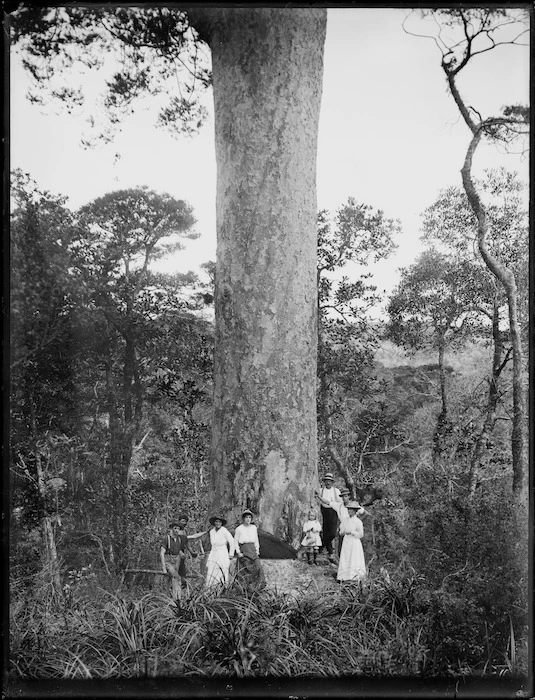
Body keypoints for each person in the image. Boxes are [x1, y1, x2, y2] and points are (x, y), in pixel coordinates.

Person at [160, 516, 207, 600]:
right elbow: (162, 553)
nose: (177, 530)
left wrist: (206, 532)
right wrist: (163, 567)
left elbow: (193, 537)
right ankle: (176, 597)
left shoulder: (181, 538)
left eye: (178, 529)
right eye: (175, 528)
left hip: (176, 560)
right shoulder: (166, 539)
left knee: (172, 578)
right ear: (171, 529)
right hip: (168, 560)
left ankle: (174, 597)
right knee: (177, 577)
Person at [234, 509, 266, 589]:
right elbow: (235, 541)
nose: (248, 519)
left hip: (252, 550)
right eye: (246, 517)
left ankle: (256, 588)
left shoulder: (254, 528)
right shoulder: (239, 529)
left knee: (258, 568)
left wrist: (257, 550)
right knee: (243, 570)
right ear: (243, 519)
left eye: (249, 517)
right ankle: (244, 589)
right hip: (244, 550)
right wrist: (238, 552)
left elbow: (256, 540)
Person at [316, 486, 351, 559]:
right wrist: (319, 497)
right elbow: (328, 502)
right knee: (341, 549)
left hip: (351, 530)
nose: (344, 498)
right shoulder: (339, 506)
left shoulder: (353, 506)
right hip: (342, 529)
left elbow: (364, 513)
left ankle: (321, 545)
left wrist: (356, 522)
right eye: (343, 496)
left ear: (349, 496)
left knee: (350, 550)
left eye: (346, 496)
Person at [337, 501, 366, 583]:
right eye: (348, 509)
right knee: (346, 558)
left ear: (355, 511)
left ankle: (355, 576)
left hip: (354, 542)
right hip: (346, 541)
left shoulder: (358, 522)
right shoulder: (345, 520)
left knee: (354, 558)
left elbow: (361, 534)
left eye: (351, 510)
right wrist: (342, 532)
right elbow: (341, 530)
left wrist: (352, 532)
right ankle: (344, 576)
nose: (349, 511)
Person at [205, 515, 236, 589]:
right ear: (214, 523)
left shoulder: (224, 531)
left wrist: (231, 554)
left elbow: (232, 542)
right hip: (214, 552)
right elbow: (212, 543)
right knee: (212, 569)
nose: (217, 523)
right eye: (216, 521)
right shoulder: (212, 531)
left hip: (222, 552)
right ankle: (211, 588)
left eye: (219, 522)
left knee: (222, 569)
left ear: (221, 523)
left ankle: (223, 588)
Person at [318, 473, 341, 561]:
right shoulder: (321, 490)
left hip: (333, 511)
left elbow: (339, 502)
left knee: (332, 533)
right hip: (324, 511)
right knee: (325, 531)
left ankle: (321, 545)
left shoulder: (336, 491)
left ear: (332, 482)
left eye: (330, 481)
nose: (328, 483)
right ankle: (330, 551)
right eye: (326, 481)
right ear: (324, 482)